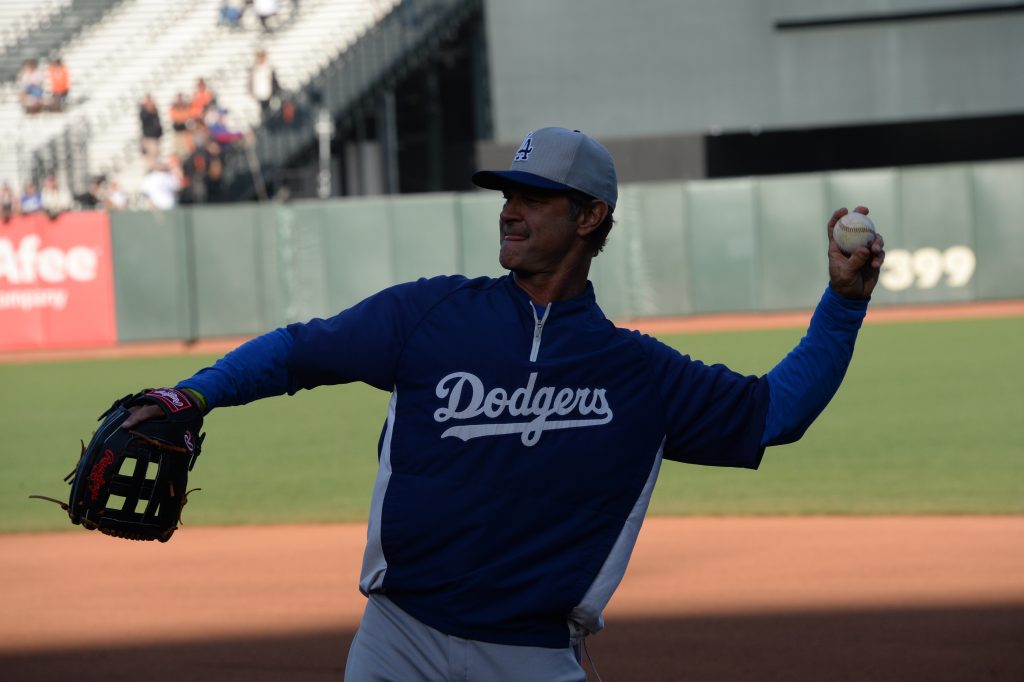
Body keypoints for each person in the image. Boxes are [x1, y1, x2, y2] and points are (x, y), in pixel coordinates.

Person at [120, 127, 885, 681]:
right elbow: (297, 350)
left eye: (535, 197)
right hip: (398, 641)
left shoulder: (637, 372)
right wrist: (193, 394)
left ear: (589, 218)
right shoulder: (429, 316)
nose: (510, 209)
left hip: (531, 656)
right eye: (507, 194)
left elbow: (775, 413)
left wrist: (844, 305)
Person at [249, 48, 280, 119]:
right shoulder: (254, 70)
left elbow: (275, 83)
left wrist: (273, 94)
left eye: (262, 56)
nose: (261, 59)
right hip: (257, 97)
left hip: (268, 98)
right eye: (260, 56)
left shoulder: (269, 69)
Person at [139, 94, 164, 168]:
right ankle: (151, 170)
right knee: (151, 157)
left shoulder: (155, 111)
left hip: (156, 138)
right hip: (149, 138)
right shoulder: (144, 113)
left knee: (156, 156)